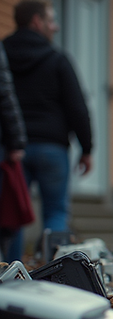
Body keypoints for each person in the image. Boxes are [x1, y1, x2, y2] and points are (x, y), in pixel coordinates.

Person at [3, 0, 91, 260]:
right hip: (52, 148)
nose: (56, 26)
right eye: (52, 20)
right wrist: (86, 148)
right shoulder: (57, 59)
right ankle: (55, 274)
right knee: (55, 212)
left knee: (12, 213)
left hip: (11, 147)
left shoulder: (2, 54)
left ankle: (9, 274)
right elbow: (77, 107)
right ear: (36, 22)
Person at [0, 41, 27, 261]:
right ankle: (11, 270)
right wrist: (16, 140)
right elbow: (4, 91)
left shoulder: (7, 46)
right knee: (13, 210)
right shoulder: (58, 59)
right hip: (52, 144)